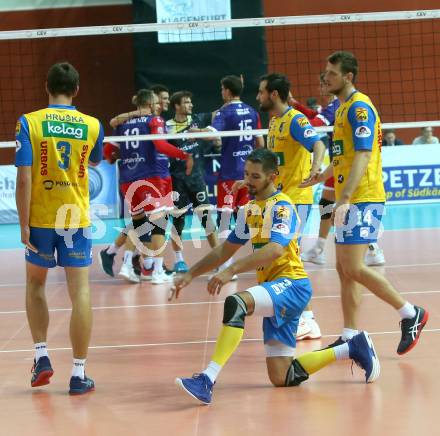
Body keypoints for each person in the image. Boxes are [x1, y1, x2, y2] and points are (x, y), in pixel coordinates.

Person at [171, 148, 380, 405]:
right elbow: (225, 250)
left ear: (272, 176)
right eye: (247, 174)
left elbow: (275, 249)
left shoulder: (282, 207)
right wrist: (190, 274)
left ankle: (207, 379)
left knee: (236, 303)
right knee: (282, 376)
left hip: (292, 285)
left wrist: (231, 271)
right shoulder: (249, 210)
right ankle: (351, 348)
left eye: (255, 176)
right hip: (274, 287)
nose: (248, 181)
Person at [303, 51, 428, 351]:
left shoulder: (359, 108)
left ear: (348, 76)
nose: (326, 77)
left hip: (364, 197)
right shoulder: (341, 108)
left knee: (355, 267)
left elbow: (362, 153)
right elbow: (343, 155)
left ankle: (411, 313)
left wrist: (344, 198)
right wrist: (322, 177)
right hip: (350, 197)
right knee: (343, 269)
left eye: (332, 73)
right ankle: (349, 336)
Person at [15, 62, 103, 394]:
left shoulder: (30, 122)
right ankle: (79, 375)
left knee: (35, 285)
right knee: (80, 292)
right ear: (77, 89)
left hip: (40, 218)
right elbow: (93, 161)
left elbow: (24, 178)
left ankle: (42, 356)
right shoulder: (92, 124)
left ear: (46, 86)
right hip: (75, 218)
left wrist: (23, 225)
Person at [256, 73, 327, 340]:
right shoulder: (274, 121)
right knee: (280, 258)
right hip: (278, 200)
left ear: (274, 94)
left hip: (296, 200)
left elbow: (318, 143)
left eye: (262, 92)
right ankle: (296, 314)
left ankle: (307, 319)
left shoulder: (296, 119)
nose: (258, 96)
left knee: (290, 258)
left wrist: (316, 166)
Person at [102, 89, 193, 285]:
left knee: (139, 224)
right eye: (157, 102)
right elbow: (160, 146)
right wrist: (184, 155)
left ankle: (131, 265)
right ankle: (157, 270)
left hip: (128, 179)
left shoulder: (123, 124)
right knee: (159, 223)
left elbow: (108, 153)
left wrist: (118, 157)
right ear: (150, 104)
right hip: (151, 177)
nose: (159, 105)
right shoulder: (154, 120)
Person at [295, 76, 386, 268]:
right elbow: (314, 115)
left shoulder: (344, 105)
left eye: (326, 82)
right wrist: (295, 104)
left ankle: (371, 245)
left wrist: (293, 125)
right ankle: (324, 247)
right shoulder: (338, 106)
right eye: (321, 83)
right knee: (327, 204)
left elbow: (314, 122)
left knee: (332, 205)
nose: (322, 87)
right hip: (340, 161)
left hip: (349, 166)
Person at [195, 75, 264, 276]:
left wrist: (194, 132)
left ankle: (226, 265)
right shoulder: (252, 111)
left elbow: (211, 134)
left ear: (226, 90)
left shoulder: (225, 112)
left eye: (222, 89)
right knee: (247, 217)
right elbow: (260, 143)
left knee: (225, 217)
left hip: (229, 173)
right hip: (249, 174)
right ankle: (261, 259)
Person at [166, 90, 219, 272]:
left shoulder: (198, 120)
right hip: (177, 179)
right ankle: (179, 259)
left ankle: (220, 261)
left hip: (196, 178)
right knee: (178, 222)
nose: (191, 105)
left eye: (190, 102)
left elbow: (218, 115)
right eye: (186, 103)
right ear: (177, 106)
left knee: (207, 219)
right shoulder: (167, 127)